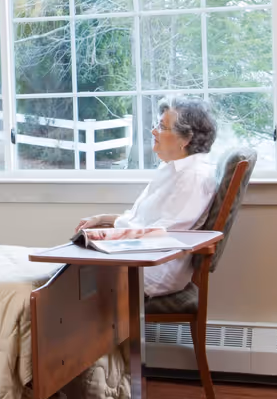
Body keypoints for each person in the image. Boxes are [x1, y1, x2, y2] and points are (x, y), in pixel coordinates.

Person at [74, 96, 220, 299]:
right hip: (139, 255)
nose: (153, 131)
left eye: (162, 126)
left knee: (67, 280)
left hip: (153, 268)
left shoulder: (194, 177)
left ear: (185, 138)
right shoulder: (171, 168)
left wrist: (106, 238)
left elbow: (162, 235)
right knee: (66, 270)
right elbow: (142, 222)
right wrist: (104, 220)